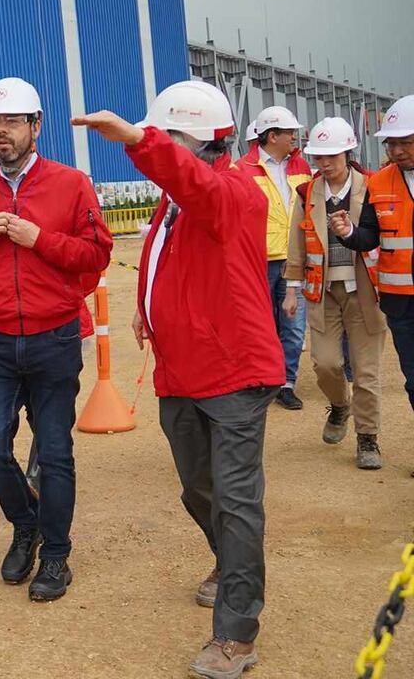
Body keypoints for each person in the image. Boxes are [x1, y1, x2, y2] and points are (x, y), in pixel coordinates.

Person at [74, 80, 284, 679]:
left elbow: (197, 185)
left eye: (167, 137)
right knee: (198, 489)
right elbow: (167, 258)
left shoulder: (237, 192)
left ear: (191, 140)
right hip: (181, 371)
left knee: (238, 499)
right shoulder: (174, 204)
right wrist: (147, 308)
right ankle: (232, 562)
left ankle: (236, 633)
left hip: (235, 374)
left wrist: (137, 140)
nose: (161, 147)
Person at [0, 77, 111, 602]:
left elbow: (95, 255)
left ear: (36, 126)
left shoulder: (71, 183)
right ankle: (26, 524)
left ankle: (56, 556)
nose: (1, 133)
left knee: (56, 451)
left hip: (54, 337)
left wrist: (41, 240)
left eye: (12, 122)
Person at [283, 117, 385, 469]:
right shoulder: (308, 192)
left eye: (331, 156)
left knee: (366, 370)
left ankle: (368, 438)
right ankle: (340, 406)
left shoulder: (373, 186)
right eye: (319, 157)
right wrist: (292, 289)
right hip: (322, 290)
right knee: (325, 363)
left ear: (348, 153)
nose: (324, 164)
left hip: (366, 291)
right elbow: (297, 243)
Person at [334, 94, 414, 478]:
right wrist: (349, 232)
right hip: (400, 302)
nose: (396, 150)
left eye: (405, 142)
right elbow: (369, 236)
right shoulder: (378, 183)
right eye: (391, 143)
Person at [241, 106, 313, 410]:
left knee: (294, 325)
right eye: (289, 133)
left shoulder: (302, 168)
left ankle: (286, 382)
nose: (294, 138)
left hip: (294, 259)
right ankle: (263, 379)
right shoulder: (241, 170)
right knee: (262, 324)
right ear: (272, 136)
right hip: (259, 261)